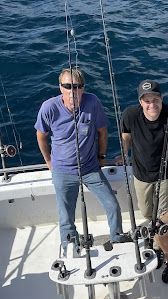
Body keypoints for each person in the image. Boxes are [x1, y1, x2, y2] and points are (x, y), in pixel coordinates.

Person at [35, 67, 125, 248]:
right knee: (66, 216)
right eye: (67, 86)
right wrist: (48, 161)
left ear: (83, 88)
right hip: (62, 171)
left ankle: (117, 238)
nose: (72, 91)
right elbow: (41, 135)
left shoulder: (93, 102)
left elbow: (102, 132)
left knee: (112, 205)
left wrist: (101, 156)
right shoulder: (49, 107)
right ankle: (70, 246)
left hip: (90, 168)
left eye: (77, 86)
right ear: (60, 87)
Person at [120, 79, 168, 220]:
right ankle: (154, 225)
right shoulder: (130, 115)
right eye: (147, 101)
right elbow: (126, 137)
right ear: (140, 102)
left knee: (162, 213)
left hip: (165, 173)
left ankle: (158, 235)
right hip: (141, 173)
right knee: (145, 212)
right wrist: (123, 153)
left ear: (161, 98)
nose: (152, 105)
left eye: (155, 99)